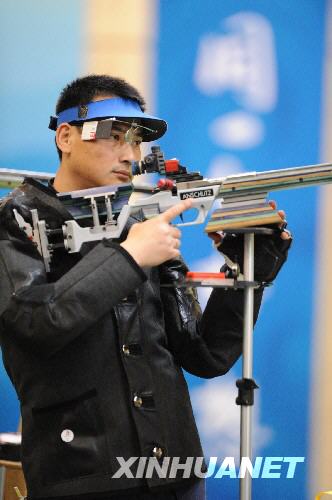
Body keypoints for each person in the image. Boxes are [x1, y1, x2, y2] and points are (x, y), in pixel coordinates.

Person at [0, 75, 291, 500]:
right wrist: (130, 256)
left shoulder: (140, 224)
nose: (129, 153)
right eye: (113, 135)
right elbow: (35, 323)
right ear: (65, 136)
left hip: (175, 471)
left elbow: (204, 354)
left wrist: (248, 265)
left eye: (136, 141)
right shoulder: (16, 221)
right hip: (82, 477)